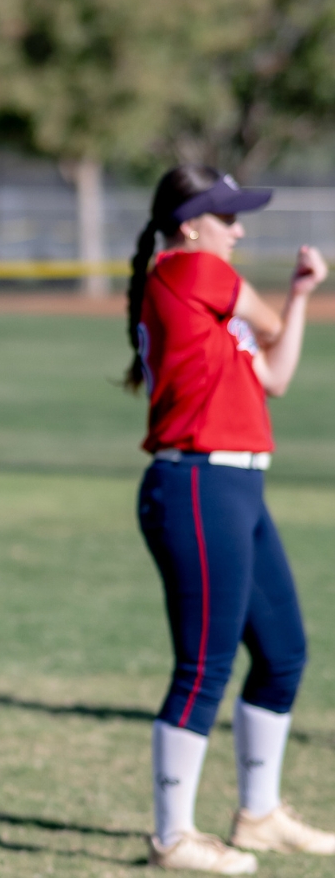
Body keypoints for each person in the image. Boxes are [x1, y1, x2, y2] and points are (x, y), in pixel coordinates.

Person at [126, 167, 334, 873]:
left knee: (283, 654)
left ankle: (259, 814)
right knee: (203, 667)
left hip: (236, 485)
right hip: (197, 483)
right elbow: (266, 327)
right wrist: (282, 306)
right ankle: (172, 835)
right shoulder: (191, 269)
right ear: (189, 225)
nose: (238, 230)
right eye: (226, 217)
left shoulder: (201, 292)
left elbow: (276, 375)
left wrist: (300, 294)